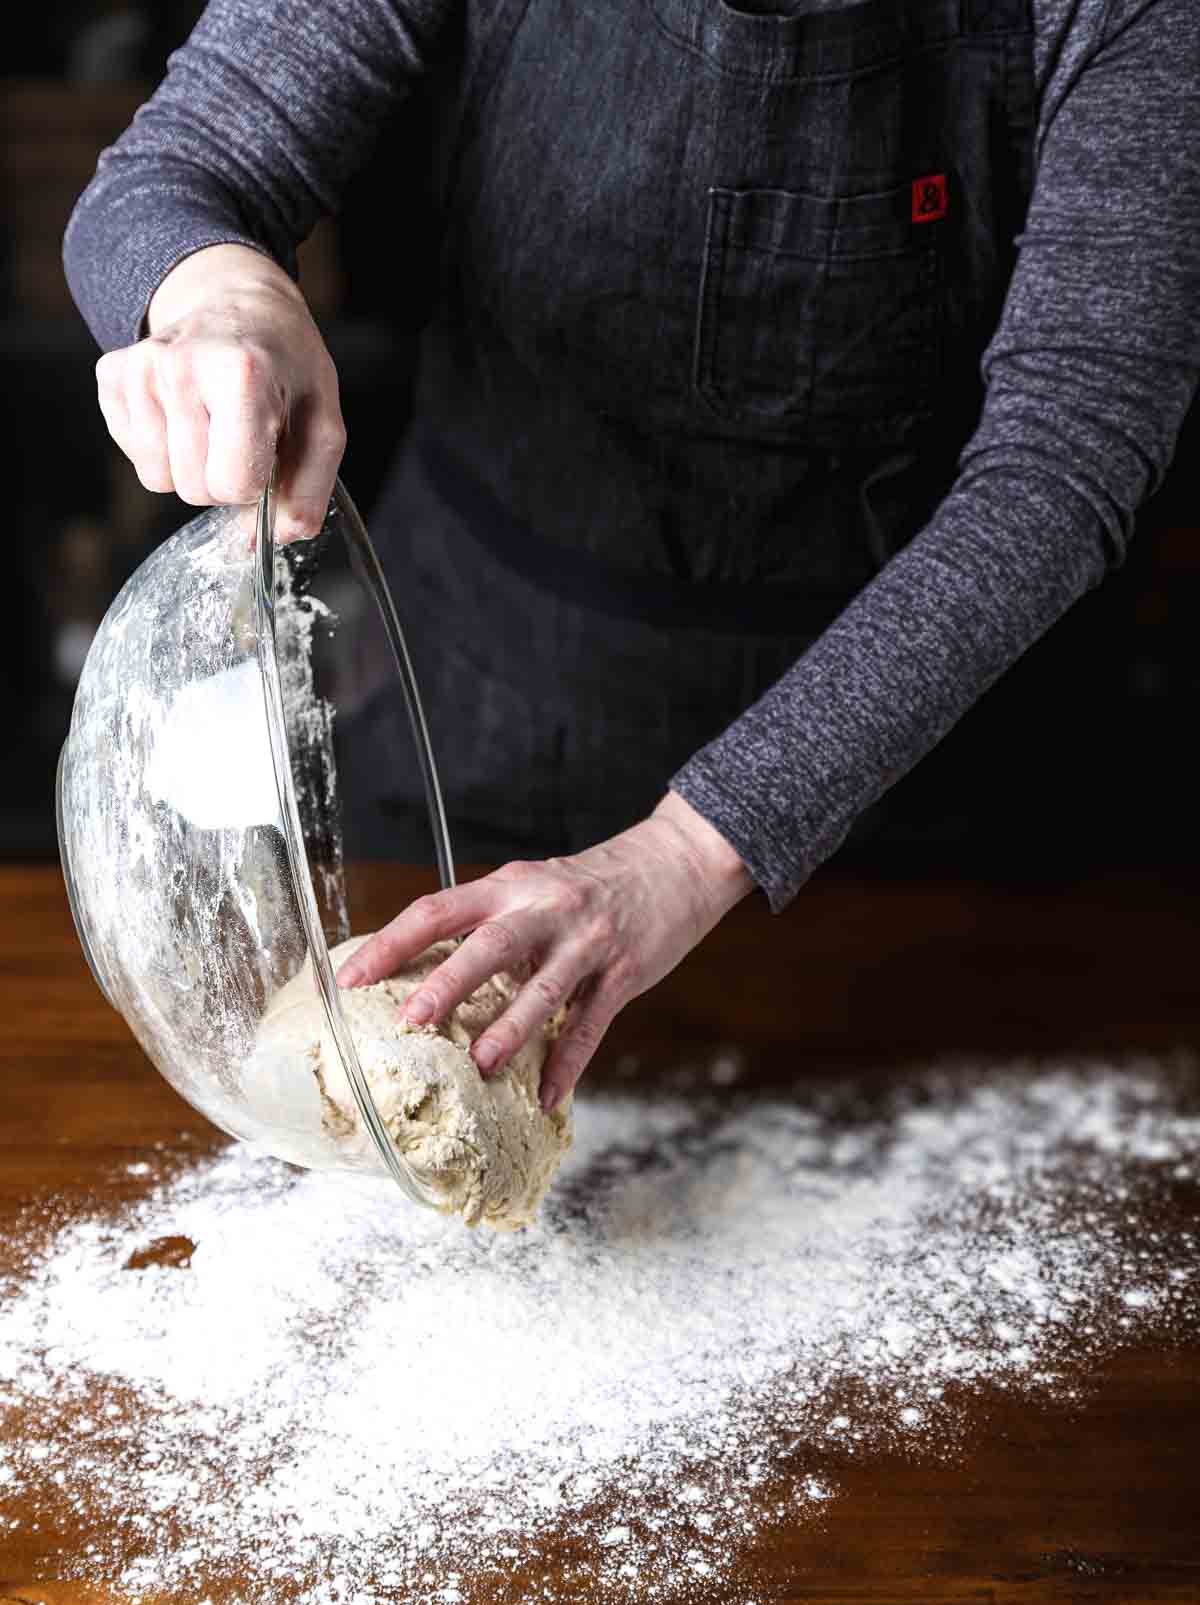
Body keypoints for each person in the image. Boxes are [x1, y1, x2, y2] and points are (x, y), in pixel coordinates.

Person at [64, 0, 1199, 1117]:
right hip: (481, 709)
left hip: (910, 797)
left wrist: (690, 854)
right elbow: (176, 169)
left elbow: (1065, 456)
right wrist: (226, 294)